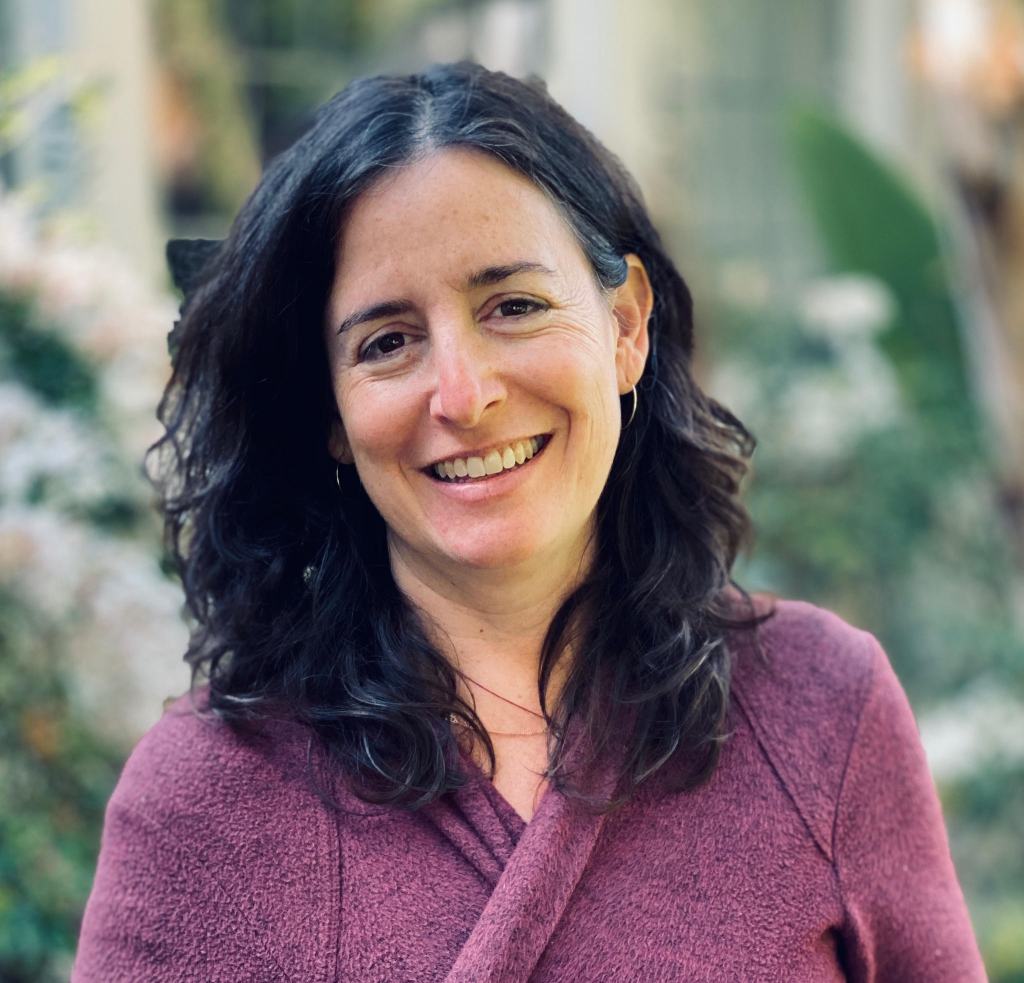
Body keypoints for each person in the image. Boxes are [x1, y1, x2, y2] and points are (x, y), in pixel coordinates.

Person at [72, 61, 986, 982]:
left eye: (513, 306)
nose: (464, 394)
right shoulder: (202, 799)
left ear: (626, 328)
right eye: (388, 342)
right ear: (330, 414)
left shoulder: (823, 709)